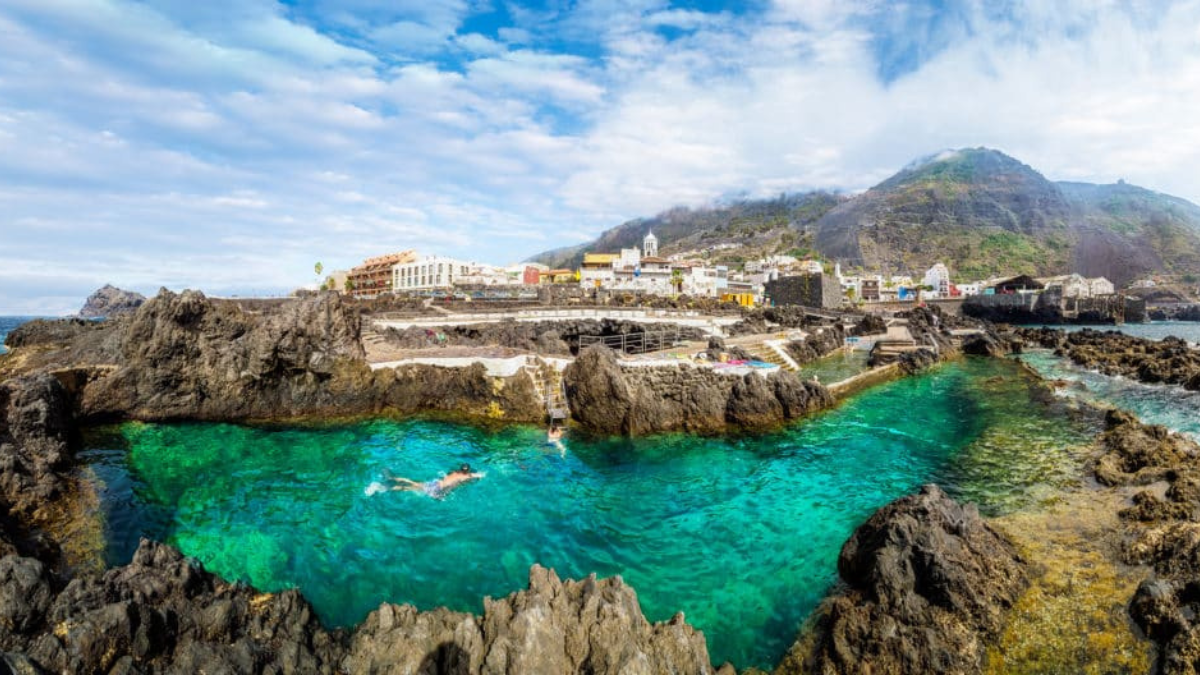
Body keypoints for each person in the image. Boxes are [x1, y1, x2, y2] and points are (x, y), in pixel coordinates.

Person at [390, 463, 483, 498]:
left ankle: (393, 478)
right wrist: (441, 496)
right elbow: (451, 486)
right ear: (468, 471)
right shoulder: (465, 477)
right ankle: (390, 488)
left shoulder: (455, 472)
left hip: (436, 482)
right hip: (437, 488)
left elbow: (447, 477)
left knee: (414, 483)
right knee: (410, 489)